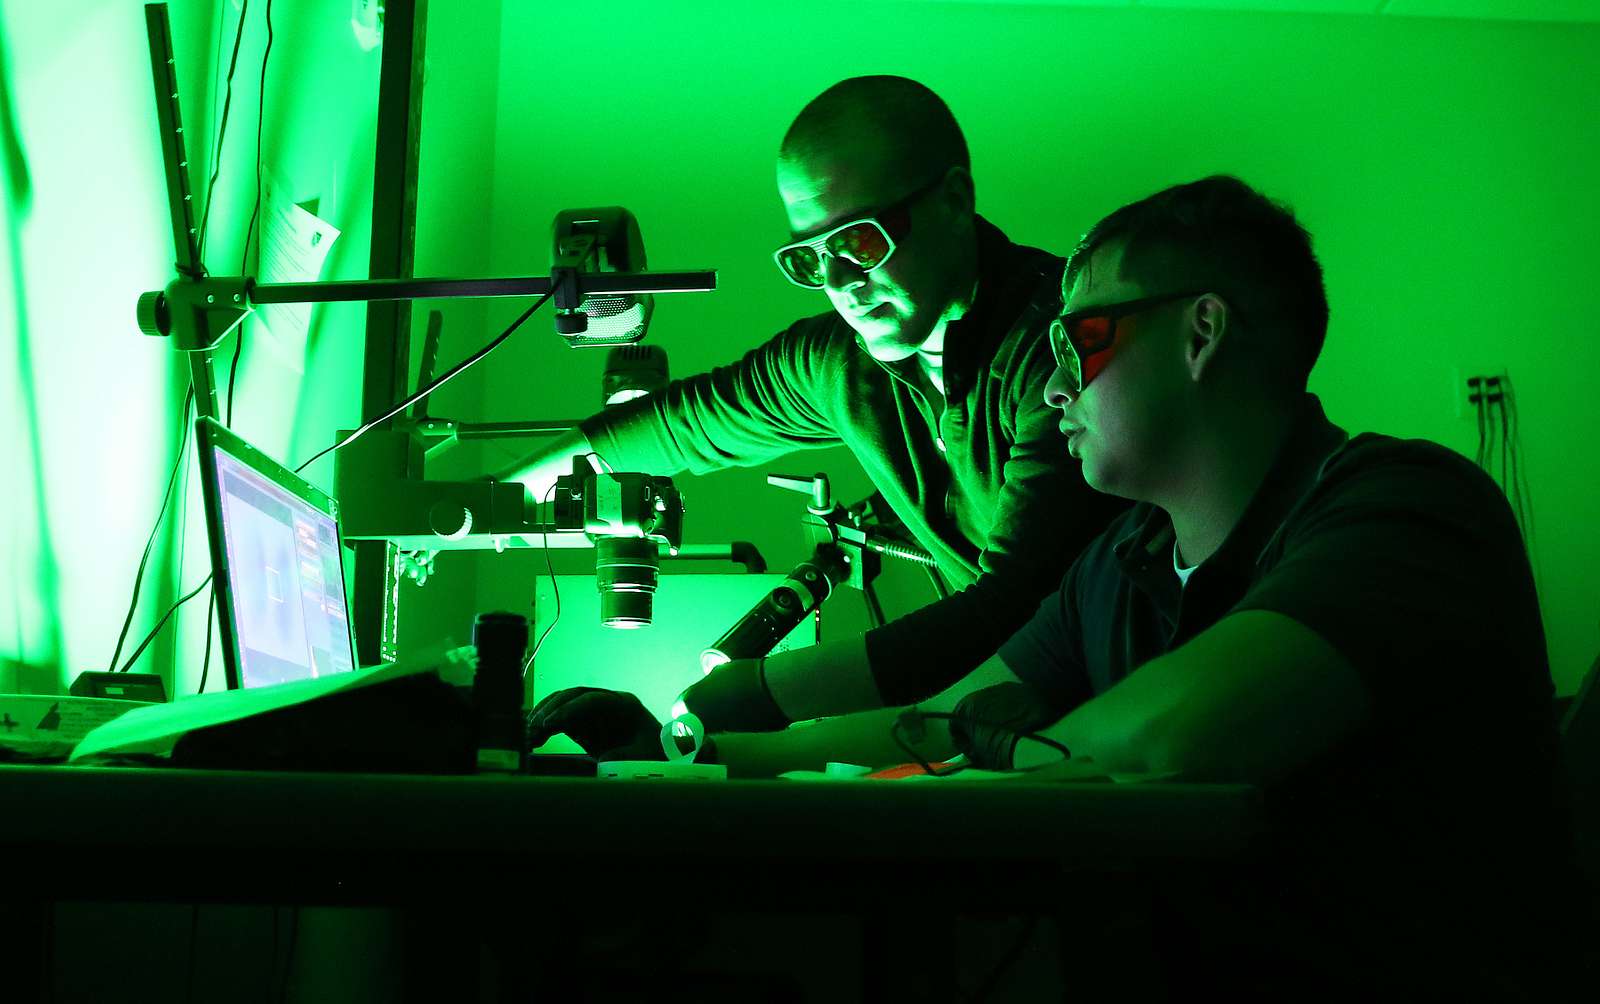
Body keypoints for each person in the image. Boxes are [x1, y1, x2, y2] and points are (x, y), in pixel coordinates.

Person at [533, 175, 1590, 997]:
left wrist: (984, 746)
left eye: (1076, 339)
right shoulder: (1120, 562)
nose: (1045, 384)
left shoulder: (1402, 508)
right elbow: (935, 721)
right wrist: (691, 755)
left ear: (1201, 331)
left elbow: (1180, 732)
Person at [505, 76, 1125, 728]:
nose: (838, 285)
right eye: (809, 257)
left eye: (859, 241)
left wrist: (755, 695)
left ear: (954, 199)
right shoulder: (843, 361)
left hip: (1114, 731)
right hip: (1008, 723)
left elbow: (1013, 610)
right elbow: (688, 421)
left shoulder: (1054, 346)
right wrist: (489, 498)